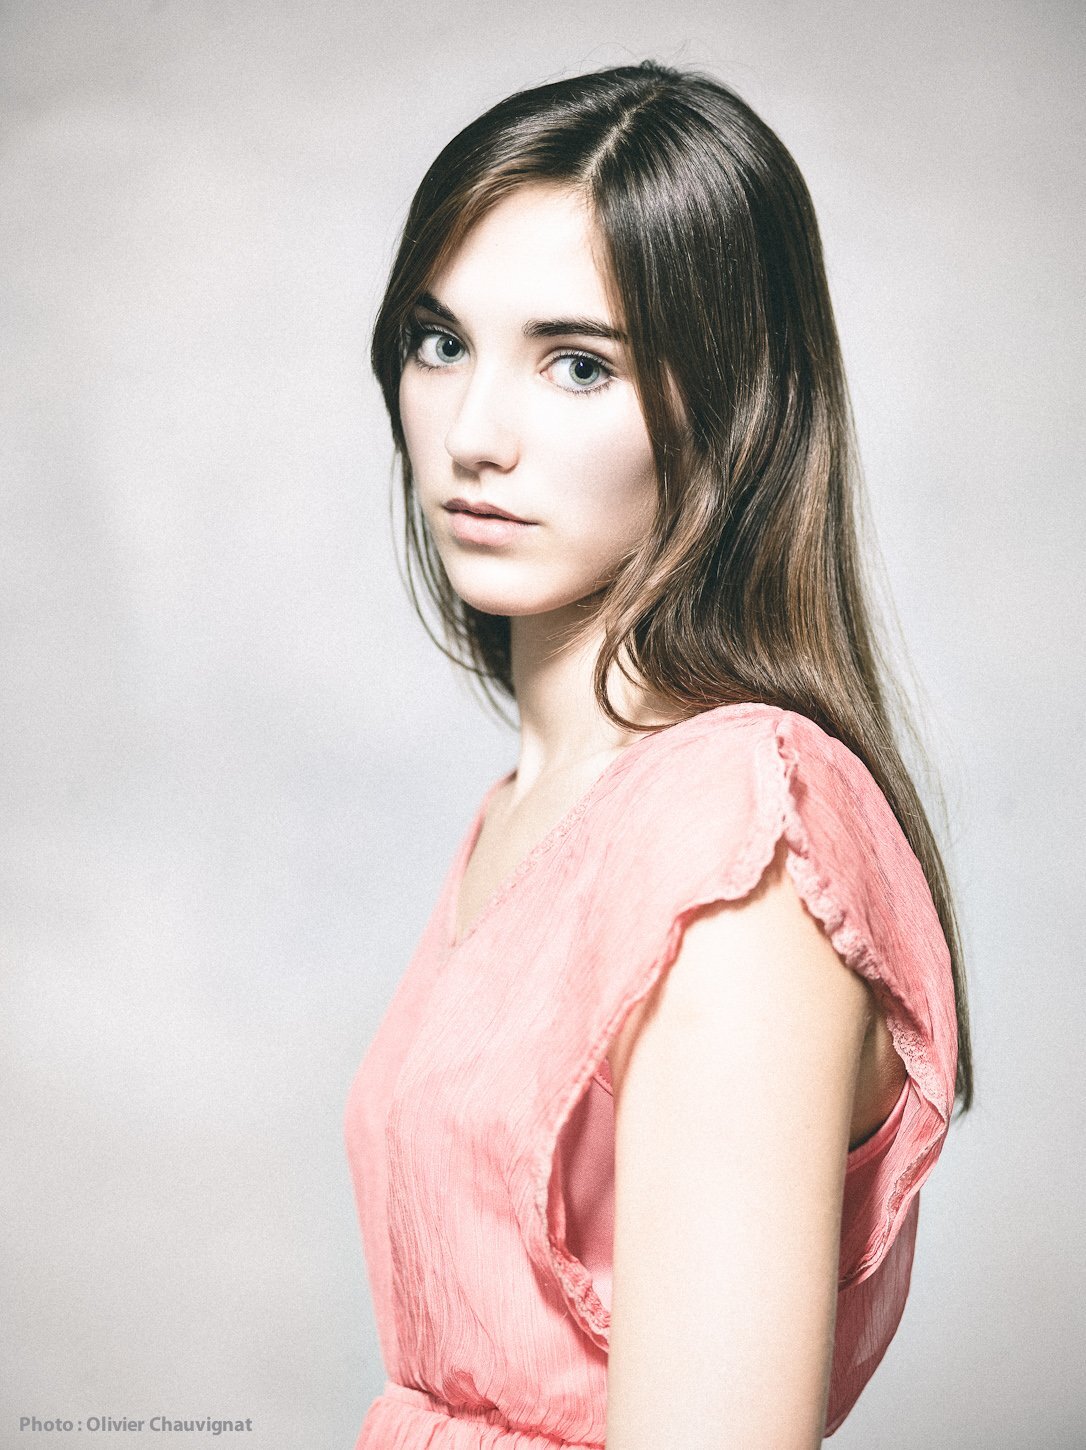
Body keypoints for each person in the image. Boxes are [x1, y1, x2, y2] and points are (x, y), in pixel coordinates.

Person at [345, 59, 973, 1449]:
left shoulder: (739, 832)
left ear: (727, 407)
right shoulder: (536, 808)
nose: (473, 434)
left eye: (578, 363)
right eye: (439, 342)